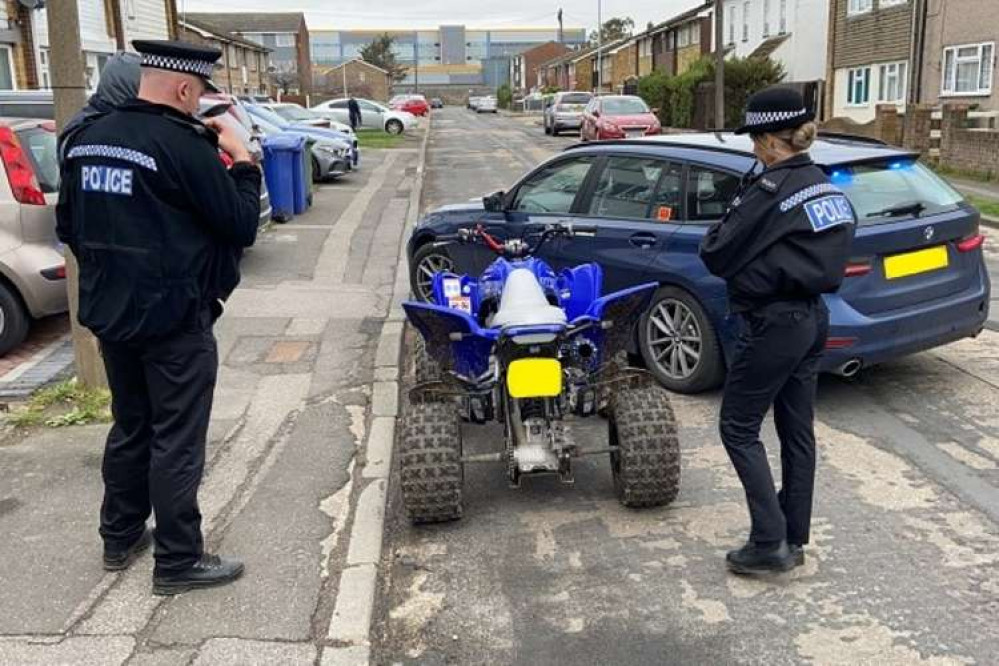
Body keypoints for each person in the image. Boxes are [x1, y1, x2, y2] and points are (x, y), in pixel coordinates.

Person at [56, 40, 261, 595]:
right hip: (173, 320)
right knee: (176, 438)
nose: (200, 107)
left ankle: (119, 535)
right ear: (183, 87)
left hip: (111, 315)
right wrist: (242, 162)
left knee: (132, 425)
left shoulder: (84, 141)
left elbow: (69, 229)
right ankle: (178, 561)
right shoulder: (181, 144)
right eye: (199, 96)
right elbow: (240, 225)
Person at [699, 87, 855, 575]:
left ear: (770, 141)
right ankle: (793, 534)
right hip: (812, 318)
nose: (752, 150)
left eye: (754, 141)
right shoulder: (826, 185)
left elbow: (717, 252)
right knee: (796, 430)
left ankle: (769, 543)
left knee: (738, 427)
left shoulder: (770, 191)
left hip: (773, 324)